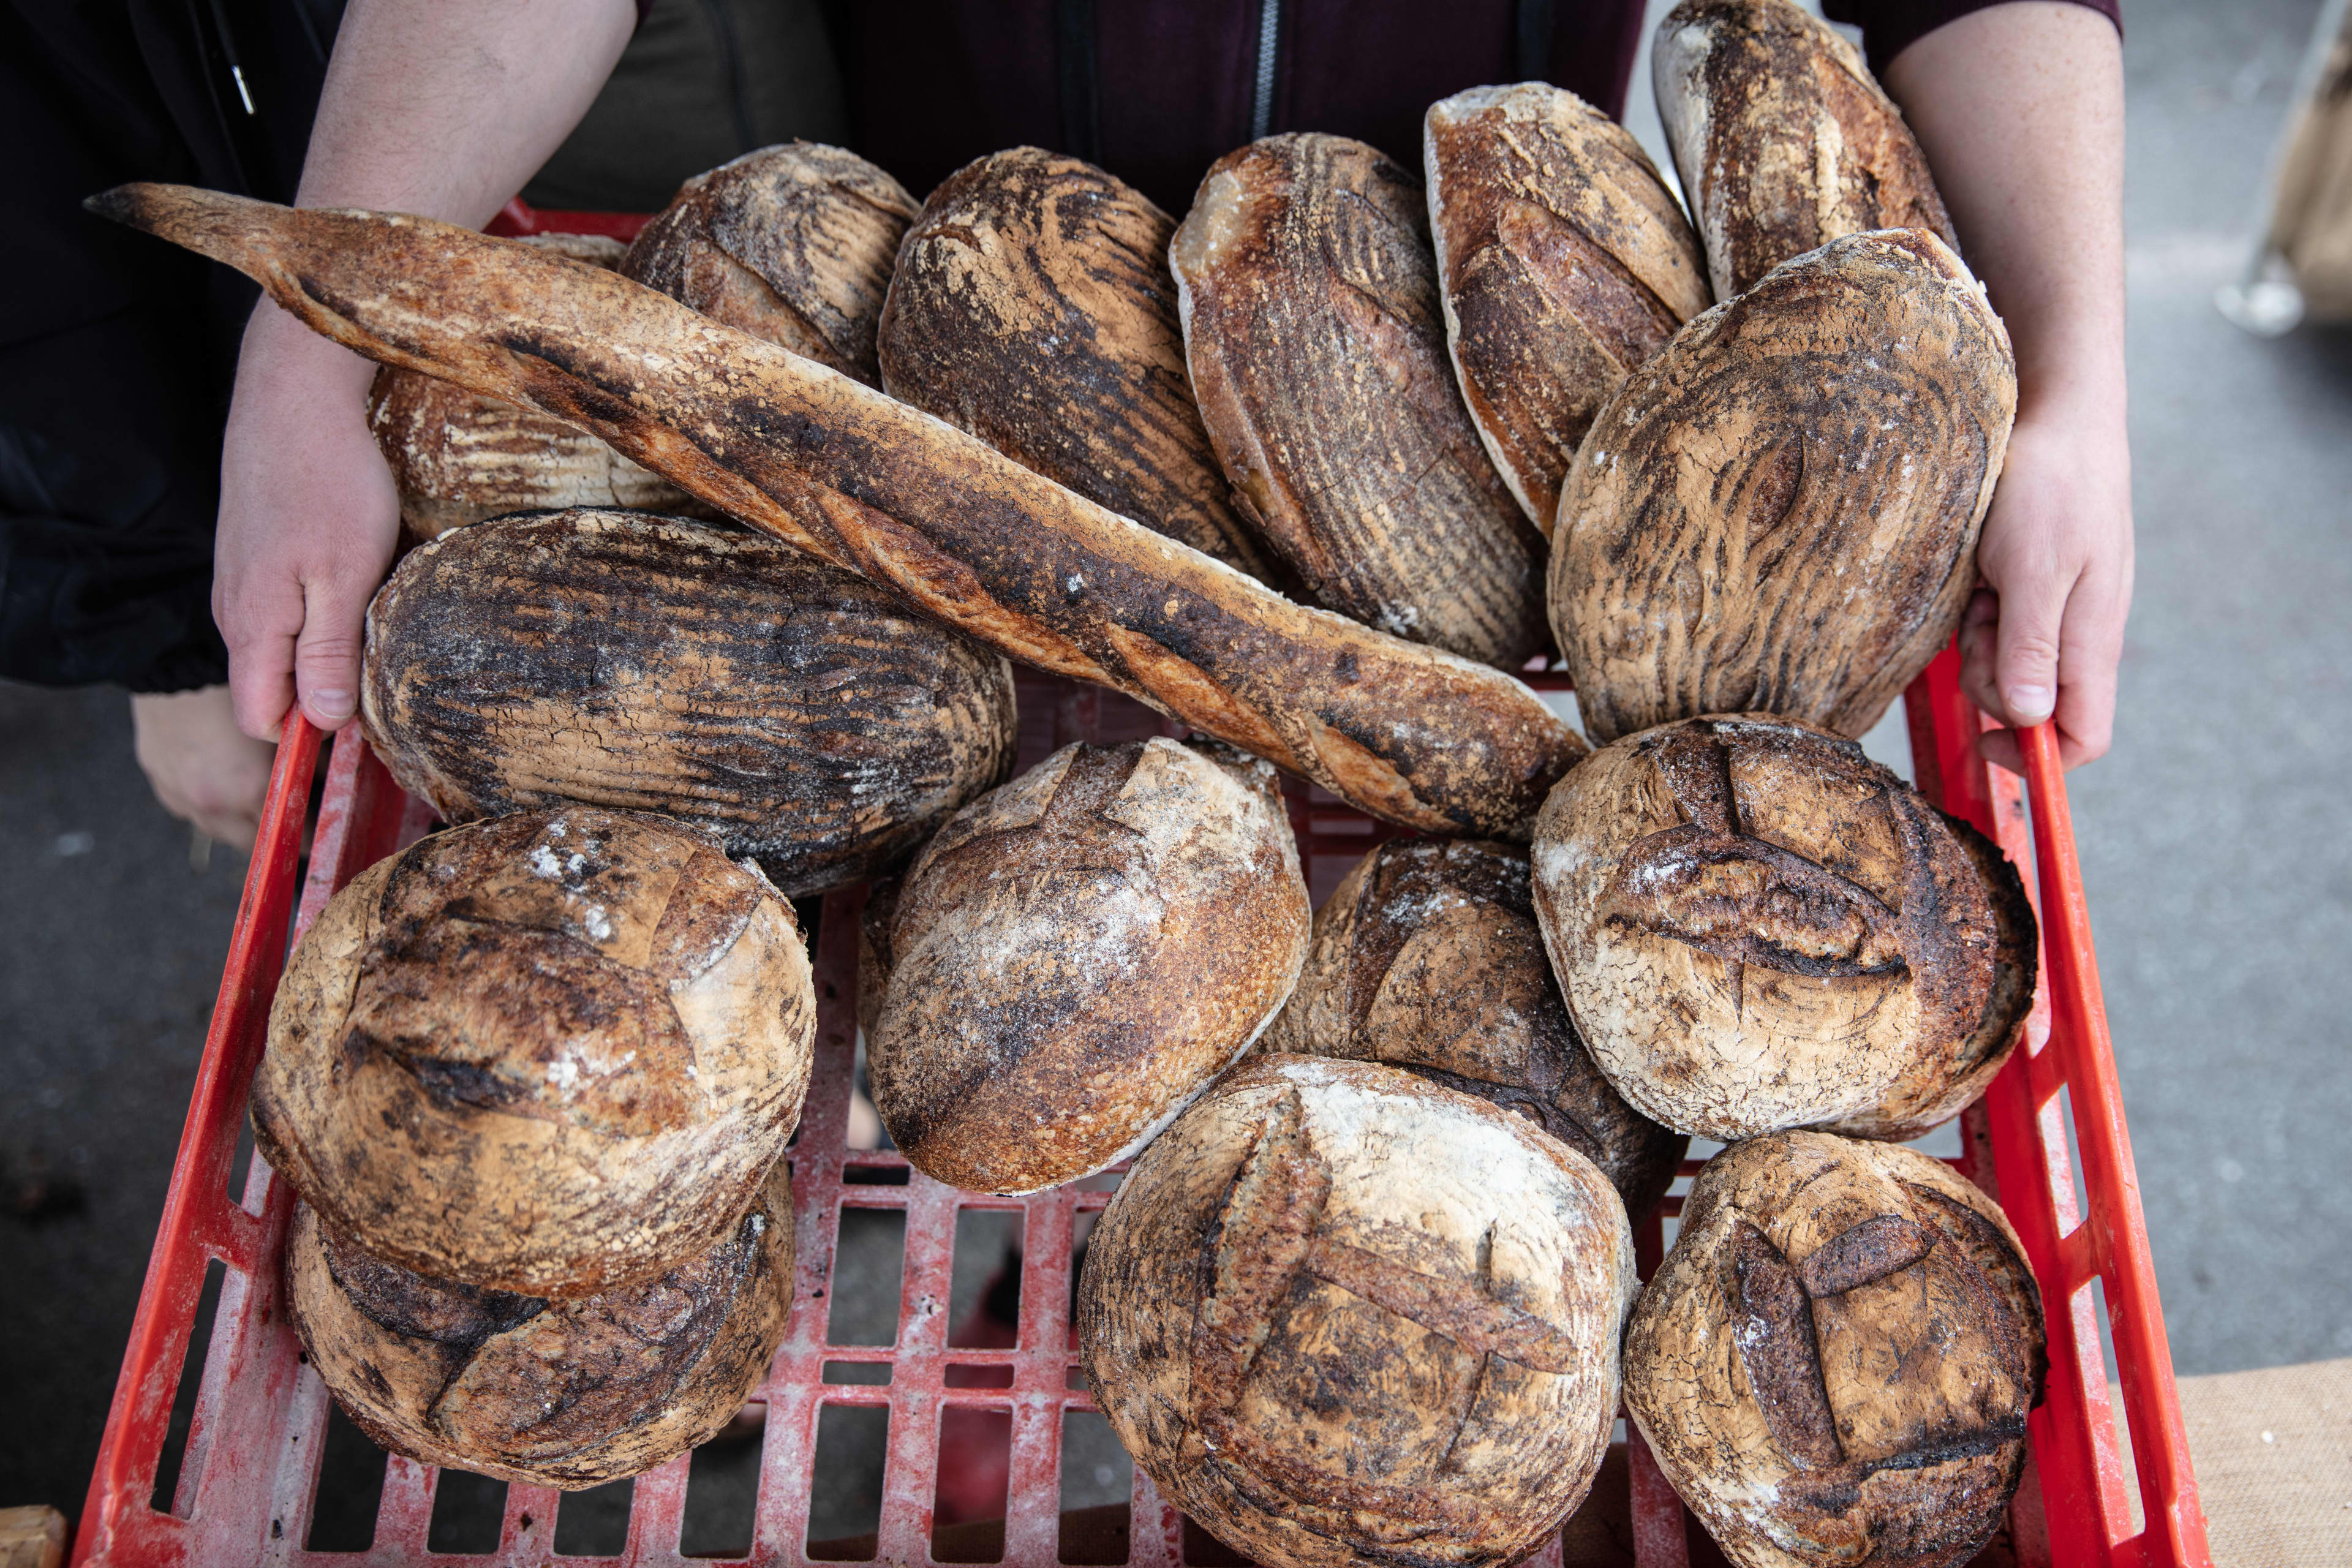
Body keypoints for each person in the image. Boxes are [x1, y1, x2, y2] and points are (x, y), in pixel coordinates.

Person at [213, 0, 2134, 834]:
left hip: (1444, 424)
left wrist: (2077, 372)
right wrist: (315, 327)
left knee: (1181, 935)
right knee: (964, 829)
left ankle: (1034, 1251)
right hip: (944, 329)